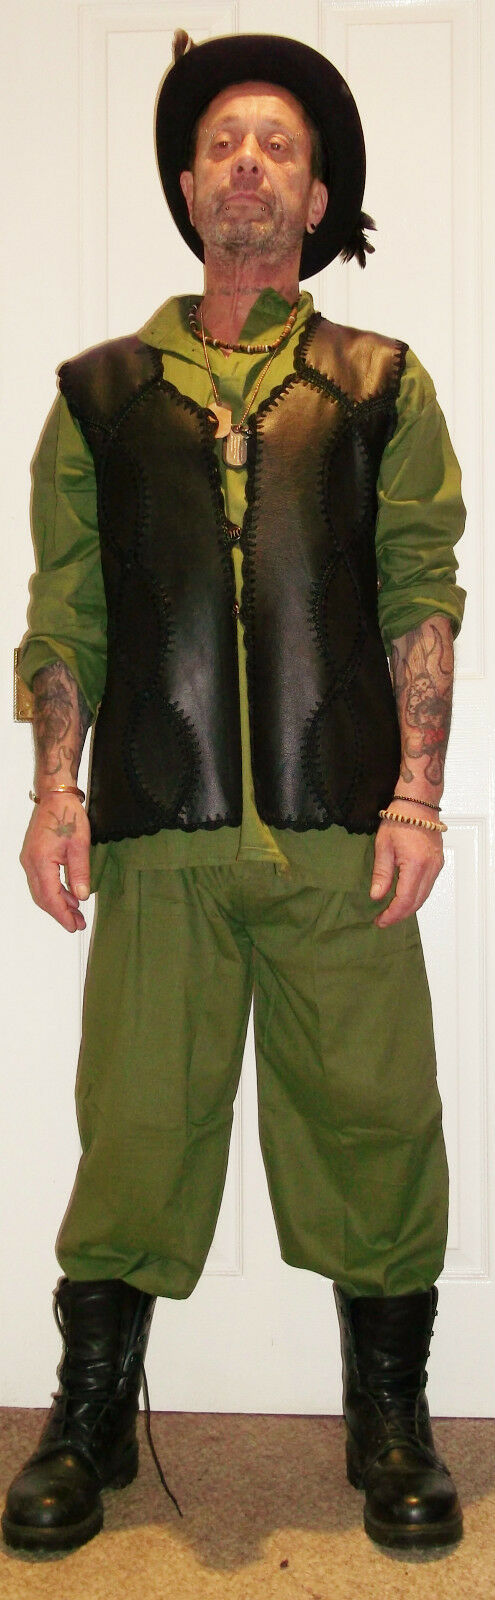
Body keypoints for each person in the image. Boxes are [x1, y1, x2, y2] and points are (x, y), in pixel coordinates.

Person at [3, 30, 466, 1556]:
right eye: (220, 144)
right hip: (159, 833)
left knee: (375, 1120)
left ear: (318, 195)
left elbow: (421, 589)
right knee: (136, 1127)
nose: (247, 165)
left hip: (344, 838)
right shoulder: (99, 395)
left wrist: (416, 798)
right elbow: (65, 611)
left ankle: (389, 1420)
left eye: (277, 146)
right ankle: (90, 1420)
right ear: (189, 186)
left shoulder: (381, 384)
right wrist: (56, 791)